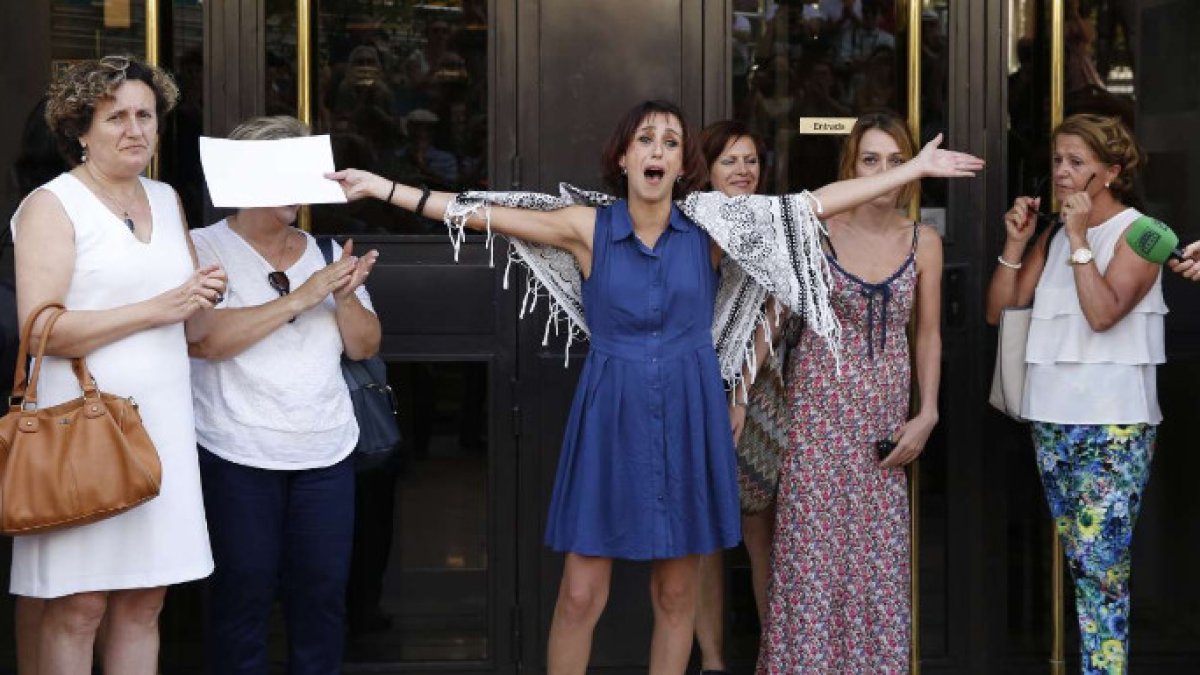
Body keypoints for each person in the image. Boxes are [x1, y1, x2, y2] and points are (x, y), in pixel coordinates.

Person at [327, 99, 981, 675]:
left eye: (670, 141)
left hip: (691, 412)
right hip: (611, 414)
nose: (658, 150)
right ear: (623, 157)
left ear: (682, 163)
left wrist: (911, 171)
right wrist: (383, 186)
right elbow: (480, 214)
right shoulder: (588, 228)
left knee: (675, 595)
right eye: (645, 138)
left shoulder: (711, 228)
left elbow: (806, 207)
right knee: (580, 594)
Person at [9, 55, 224, 674]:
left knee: (144, 604)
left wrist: (205, 298)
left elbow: (193, 327)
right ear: (80, 129)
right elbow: (40, 330)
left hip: (162, 428)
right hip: (83, 431)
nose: (135, 130)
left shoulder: (167, 197)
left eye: (146, 116)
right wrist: (158, 307)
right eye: (116, 117)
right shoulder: (54, 205)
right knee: (78, 608)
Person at [185, 115, 381, 674]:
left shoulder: (324, 249)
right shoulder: (202, 248)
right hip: (235, 455)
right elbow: (205, 341)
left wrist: (343, 297)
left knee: (321, 604)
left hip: (326, 454)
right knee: (240, 604)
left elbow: (364, 348)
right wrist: (302, 297)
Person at [758, 112, 942, 673]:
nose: (884, 172)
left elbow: (929, 332)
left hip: (883, 432)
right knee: (811, 568)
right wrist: (731, 397)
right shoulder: (816, 232)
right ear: (851, 167)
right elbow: (768, 323)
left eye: (895, 161)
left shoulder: (924, 241)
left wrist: (927, 411)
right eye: (870, 160)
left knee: (876, 572)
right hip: (816, 425)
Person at [985, 113, 1162, 675]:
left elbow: (1104, 312)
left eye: (1076, 163)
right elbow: (999, 312)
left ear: (1110, 172)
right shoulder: (1053, 235)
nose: (1061, 172)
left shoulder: (1143, 234)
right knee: (1085, 565)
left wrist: (1082, 241)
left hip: (1113, 423)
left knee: (1100, 569)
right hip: (1050, 417)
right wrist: (1016, 244)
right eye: (1058, 160)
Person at [691, 120, 774, 675]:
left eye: (750, 160)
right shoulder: (685, 229)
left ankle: (777, 657)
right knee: (700, 538)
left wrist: (740, 394)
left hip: (759, 395)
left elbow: (774, 315)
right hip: (690, 390)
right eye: (730, 162)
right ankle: (714, 662)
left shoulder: (774, 228)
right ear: (706, 171)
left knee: (759, 532)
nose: (743, 171)